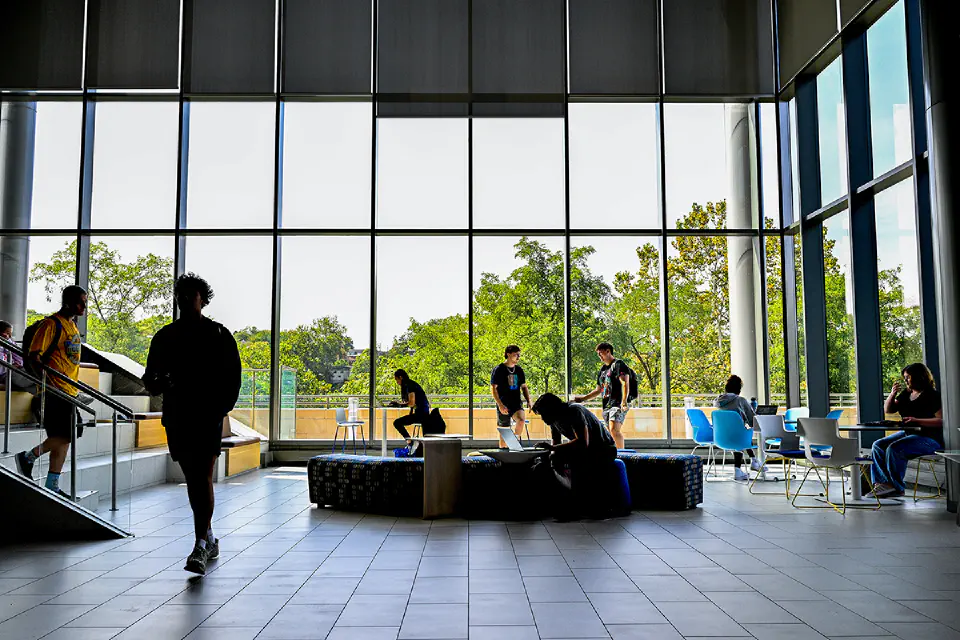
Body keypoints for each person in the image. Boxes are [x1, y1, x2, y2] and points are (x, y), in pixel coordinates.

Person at [143, 274, 241, 575]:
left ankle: (200, 543)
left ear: (203, 298)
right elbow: (150, 379)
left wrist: (219, 410)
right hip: (179, 417)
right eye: (181, 295)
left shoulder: (219, 335)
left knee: (201, 476)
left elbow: (232, 380)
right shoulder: (166, 336)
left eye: (191, 295)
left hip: (205, 416)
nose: (185, 300)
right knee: (197, 479)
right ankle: (208, 537)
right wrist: (160, 383)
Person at [14, 286, 87, 498]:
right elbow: (34, 356)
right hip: (54, 390)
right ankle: (28, 457)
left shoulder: (72, 326)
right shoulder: (50, 324)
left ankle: (52, 484)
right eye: (80, 302)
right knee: (72, 432)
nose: (83, 306)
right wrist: (48, 383)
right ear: (68, 302)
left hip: (69, 391)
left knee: (64, 437)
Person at [532, 393, 618, 519]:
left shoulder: (574, 411)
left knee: (579, 463)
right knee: (551, 460)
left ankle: (579, 505)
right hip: (587, 449)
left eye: (543, 414)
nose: (543, 418)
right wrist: (549, 454)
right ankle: (562, 501)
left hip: (604, 449)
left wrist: (553, 449)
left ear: (551, 409)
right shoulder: (553, 420)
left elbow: (583, 442)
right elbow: (556, 443)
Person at [869, 363, 943, 498]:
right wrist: (892, 394)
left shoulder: (932, 395)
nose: (906, 380)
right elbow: (889, 410)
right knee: (878, 445)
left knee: (895, 448)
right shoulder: (907, 394)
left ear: (919, 377)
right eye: (905, 377)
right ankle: (882, 484)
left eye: (908, 377)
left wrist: (917, 420)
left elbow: (941, 421)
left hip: (929, 438)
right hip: (910, 434)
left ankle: (896, 487)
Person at [574, 342, 629, 449]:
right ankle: (615, 454)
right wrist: (583, 399)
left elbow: (624, 382)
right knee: (610, 433)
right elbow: (599, 390)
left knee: (614, 430)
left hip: (617, 403)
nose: (600, 357)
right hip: (607, 405)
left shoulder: (618, 364)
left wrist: (624, 401)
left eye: (601, 354)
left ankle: (622, 455)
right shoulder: (603, 370)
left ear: (608, 351)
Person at [714, 374, 763, 481]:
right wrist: (753, 411)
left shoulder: (718, 402)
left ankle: (753, 461)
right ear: (739, 389)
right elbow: (752, 421)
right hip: (737, 437)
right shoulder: (740, 400)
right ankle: (750, 463)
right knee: (743, 433)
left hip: (720, 438)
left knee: (740, 433)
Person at [491, 345, 532, 445]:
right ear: (508, 354)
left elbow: (524, 387)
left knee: (521, 420)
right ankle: (504, 450)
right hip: (503, 402)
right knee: (504, 430)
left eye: (519, 355)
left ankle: (513, 442)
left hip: (516, 402)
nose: (518, 357)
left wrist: (529, 400)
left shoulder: (519, 370)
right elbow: (493, 388)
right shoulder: (499, 369)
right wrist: (500, 404)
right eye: (515, 355)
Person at [391, 369, 431, 452]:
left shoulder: (409, 386)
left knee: (397, 423)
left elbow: (411, 403)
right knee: (427, 439)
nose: (397, 382)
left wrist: (399, 404)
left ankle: (410, 441)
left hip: (421, 414)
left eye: (397, 379)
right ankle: (411, 443)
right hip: (423, 413)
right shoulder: (410, 384)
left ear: (401, 377)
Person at [0, 320, 26, 389]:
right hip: (4, 374)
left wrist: (7, 341)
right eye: (7, 333)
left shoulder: (9, 341)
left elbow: (19, 358)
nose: (10, 336)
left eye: (10, 333)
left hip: (10, 371)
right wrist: (11, 366)